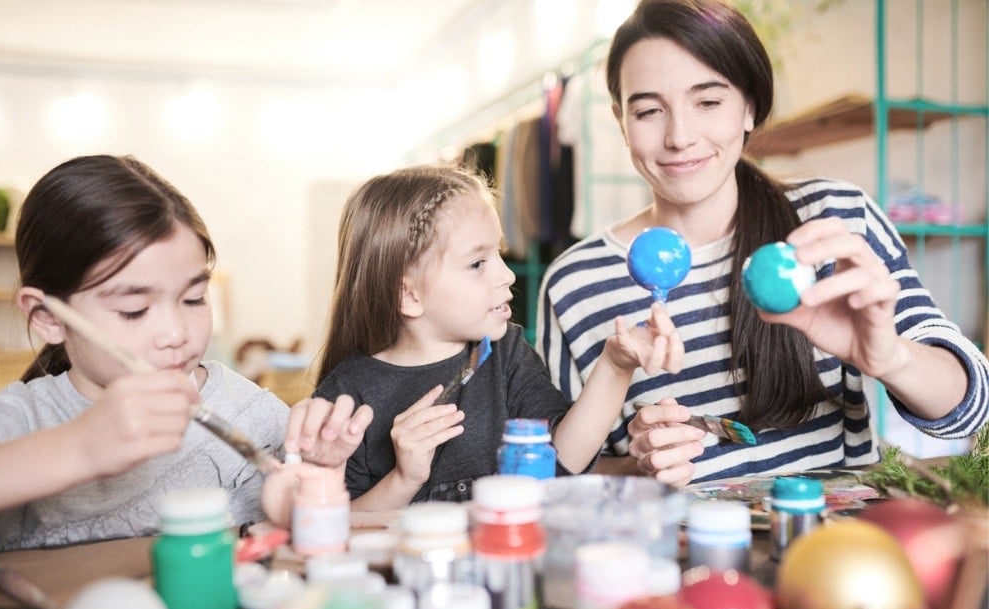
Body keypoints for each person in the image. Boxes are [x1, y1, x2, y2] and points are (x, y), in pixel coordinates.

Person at [537, 0, 989, 487]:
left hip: (839, 547)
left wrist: (890, 358)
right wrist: (641, 464)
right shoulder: (575, 282)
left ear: (749, 106)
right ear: (620, 120)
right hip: (675, 555)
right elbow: (557, 470)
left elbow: (972, 409)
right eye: (649, 111)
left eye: (708, 102)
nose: (680, 136)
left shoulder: (832, 222)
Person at [0, 154, 368, 552]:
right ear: (49, 318)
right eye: (134, 311)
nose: (176, 334)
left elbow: (286, 516)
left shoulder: (248, 413)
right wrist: (77, 448)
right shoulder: (12, 424)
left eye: (194, 299)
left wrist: (314, 485)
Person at [311, 164, 668, 510]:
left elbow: (562, 461)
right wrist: (403, 479)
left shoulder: (506, 353)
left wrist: (615, 366)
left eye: (498, 253)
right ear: (409, 295)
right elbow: (332, 524)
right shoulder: (345, 397)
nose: (507, 275)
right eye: (477, 263)